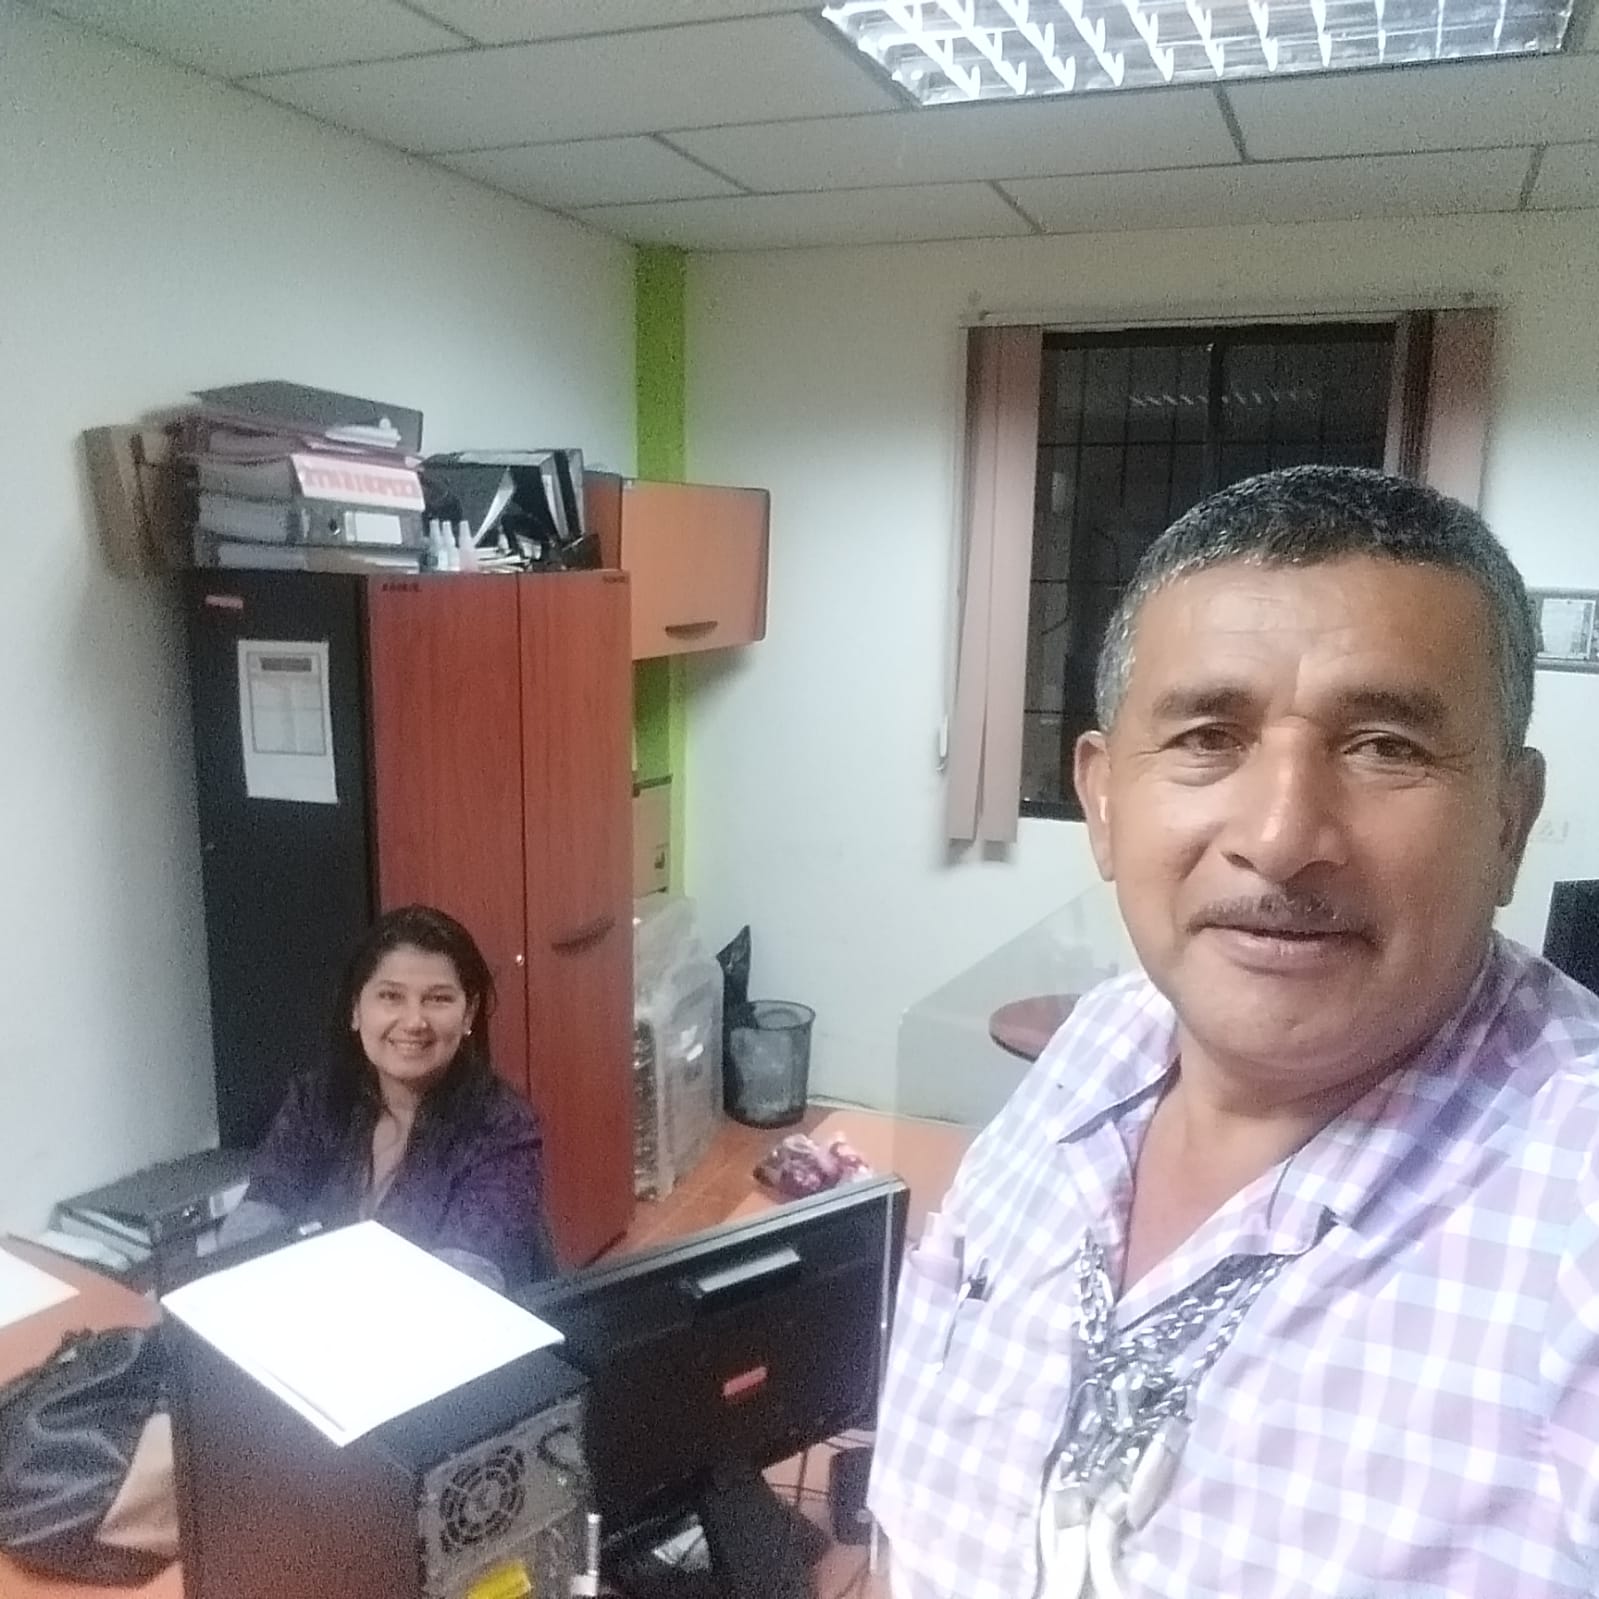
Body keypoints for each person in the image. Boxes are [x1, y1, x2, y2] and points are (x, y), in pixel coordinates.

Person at [869, 466, 1599, 1599]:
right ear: (1103, 800)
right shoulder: (1098, 1047)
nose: (1280, 834)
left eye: (1386, 747)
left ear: (1509, 818)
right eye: (1209, 736)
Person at [222, 904, 556, 1291]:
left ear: (469, 1015)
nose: (414, 1021)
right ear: (356, 1009)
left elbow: (463, 1286)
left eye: (438, 999)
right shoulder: (316, 1102)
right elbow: (258, 1220)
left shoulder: (502, 1126)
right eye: (391, 996)